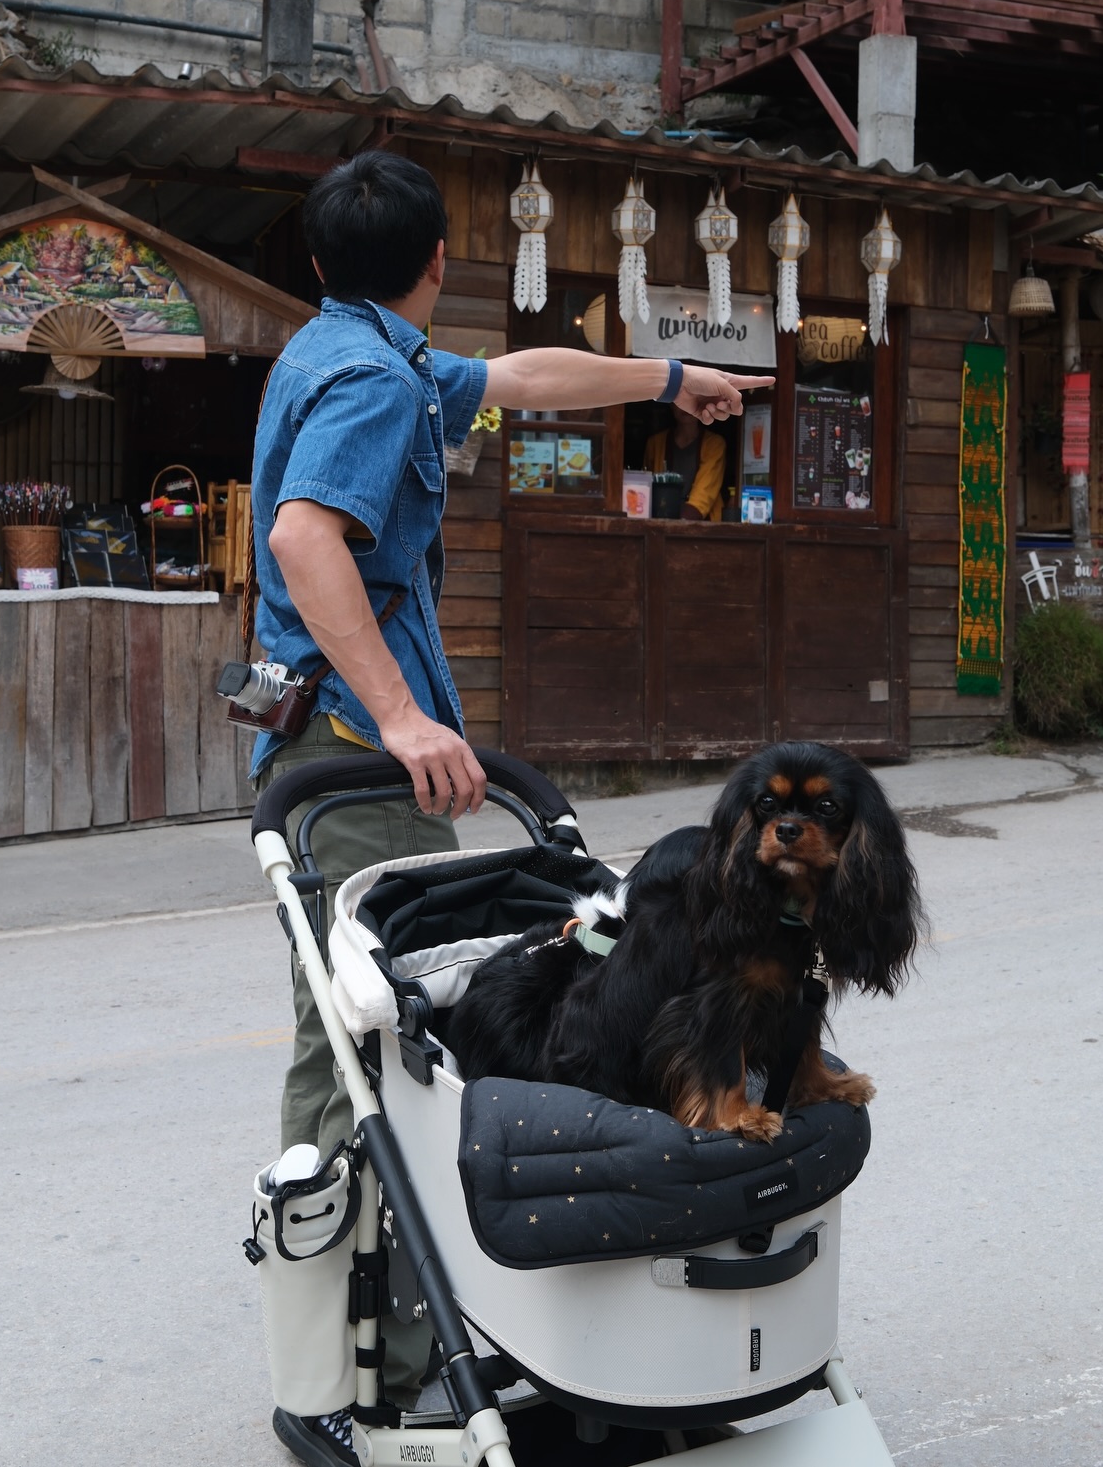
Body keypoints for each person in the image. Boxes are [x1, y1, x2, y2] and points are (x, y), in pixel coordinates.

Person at [251, 152, 770, 1467]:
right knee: (372, 1050)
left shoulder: (349, 346)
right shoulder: (374, 380)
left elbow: (524, 377)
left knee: (357, 1038)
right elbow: (307, 537)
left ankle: (364, 1349)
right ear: (438, 262)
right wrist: (409, 716)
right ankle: (355, 1368)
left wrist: (665, 377)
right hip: (363, 756)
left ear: (321, 264)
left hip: (336, 742)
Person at [644, 404, 727, 520]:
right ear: (672, 405)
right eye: (680, 400)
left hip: (703, 523)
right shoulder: (655, 443)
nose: (686, 406)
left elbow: (705, 492)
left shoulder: (714, 444)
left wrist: (682, 521)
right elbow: (646, 487)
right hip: (660, 518)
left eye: (693, 400)